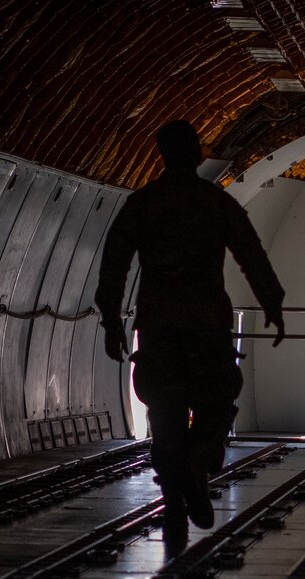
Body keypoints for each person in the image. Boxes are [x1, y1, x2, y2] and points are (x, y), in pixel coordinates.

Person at [96, 120, 285, 551]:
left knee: (164, 415)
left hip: (158, 326)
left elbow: (114, 266)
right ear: (198, 152)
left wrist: (111, 321)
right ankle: (200, 461)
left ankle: (175, 507)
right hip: (206, 324)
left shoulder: (142, 204)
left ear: (160, 153)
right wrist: (272, 304)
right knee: (216, 402)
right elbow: (249, 253)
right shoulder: (213, 202)